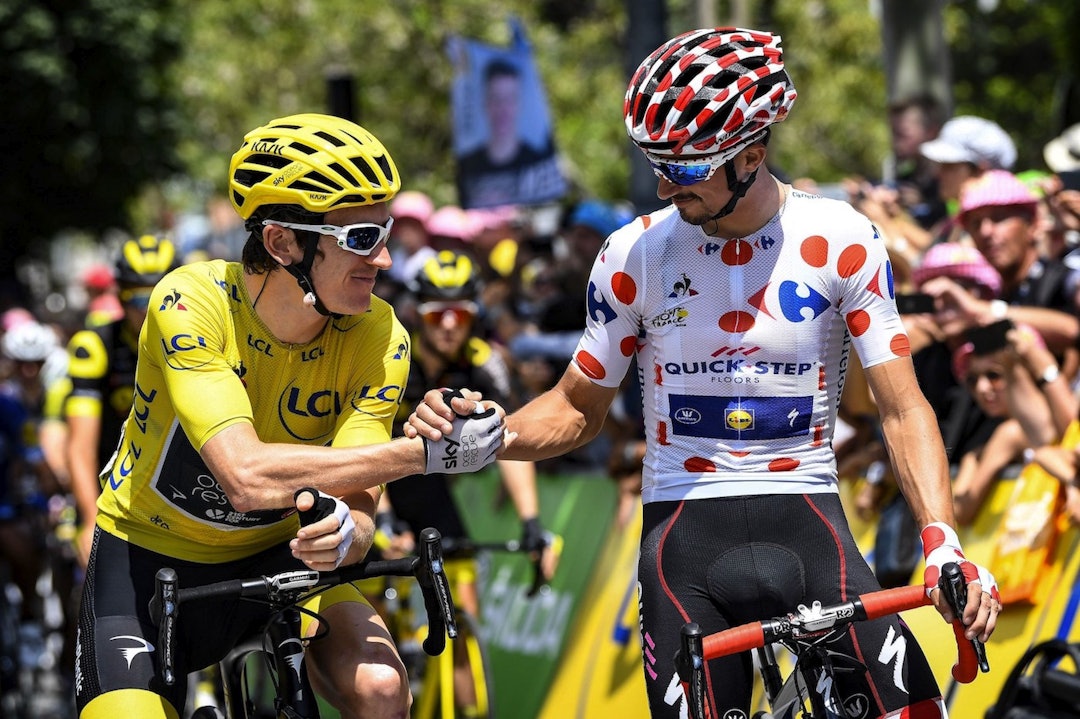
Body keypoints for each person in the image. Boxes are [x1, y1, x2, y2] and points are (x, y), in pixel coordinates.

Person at [406, 27, 1001, 718]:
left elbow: (903, 407)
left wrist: (941, 540)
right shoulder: (635, 253)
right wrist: (493, 432)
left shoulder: (842, 239)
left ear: (751, 156)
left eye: (684, 169)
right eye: (655, 162)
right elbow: (576, 407)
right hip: (682, 538)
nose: (662, 184)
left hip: (808, 514)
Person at [73, 113, 505, 719]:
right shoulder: (189, 301)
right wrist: (421, 455)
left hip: (283, 553)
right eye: (360, 238)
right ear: (281, 242)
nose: (383, 259)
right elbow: (244, 477)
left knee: (381, 688)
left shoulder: (380, 333)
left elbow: (359, 496)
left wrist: (350, 534)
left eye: (384, 232)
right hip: (150, 560)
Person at [377, 249, 547, 715]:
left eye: (459, 314)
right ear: (418, 314)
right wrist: (384, 520)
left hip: (429, 491)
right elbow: (365, 449)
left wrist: (531, 522)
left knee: (460, 601)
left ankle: (464, 704)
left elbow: (507, 445)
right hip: (376, 487)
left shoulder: (485, 363)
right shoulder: (393, 357)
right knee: (373, 610)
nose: (448, 325)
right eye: (437, 314)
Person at [66, 234, 180, 565]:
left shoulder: (201, 340)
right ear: (119, 296)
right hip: (109, 479)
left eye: (163, 298)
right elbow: (80, 445)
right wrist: (89, 519)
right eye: (138, 301)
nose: (149, 313)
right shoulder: (94, 345)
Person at [455, 57, 566, 209]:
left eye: (509, 99)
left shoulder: (537, 162)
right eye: (496, 99)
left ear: (519, 103)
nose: (503, 110)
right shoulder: (469, 164)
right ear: (485, 103)